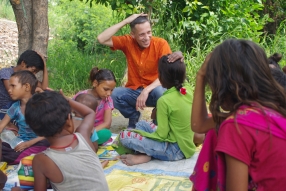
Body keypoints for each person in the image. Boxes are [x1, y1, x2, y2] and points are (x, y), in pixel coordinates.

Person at [192, 39, 286, 191]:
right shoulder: (271, 107)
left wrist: (201, 75)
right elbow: (199, 125)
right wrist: (200, 75)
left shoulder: (238, 124)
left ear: (222, 82)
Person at [97, 13, 183, 128]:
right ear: (133, 34)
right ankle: (134, 116)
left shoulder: (160, 44)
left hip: (155, 91)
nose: (147, 37)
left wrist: (146, 90)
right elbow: (101, 38)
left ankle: (158, 123)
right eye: (142, 34)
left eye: (149, 32)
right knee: (114, 94)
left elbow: (166, 74)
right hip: (134, 91)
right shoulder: (127, 41)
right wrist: (126, 21)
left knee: (162, 93)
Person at [118, 55, 197, 166]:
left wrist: (137, 134)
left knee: (124, 136)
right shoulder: (186, 89)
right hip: (184, 144)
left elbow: (161, 135)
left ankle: (146, 154)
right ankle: (145, 153)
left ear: (162, 78)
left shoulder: (164, 101)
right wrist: (180, 55)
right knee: (141, 124)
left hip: (175, 150)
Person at [24, 91, 109, 191]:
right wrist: (66, 100)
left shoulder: (40, 160)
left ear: (37, 132)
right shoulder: (83, 136)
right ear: (69, 119)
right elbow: (90, 113)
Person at [0, 70, 49, 164]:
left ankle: (20, 157)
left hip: (39, 142)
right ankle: (24, 157)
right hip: (20, 144)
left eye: (13, 86)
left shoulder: (41, 105)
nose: (9, 90)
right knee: (3, 146)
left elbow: (50, 132)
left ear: (27, 87)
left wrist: (28, 144)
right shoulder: (15, 108)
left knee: (45, 144)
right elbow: (1, 126)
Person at [0, 50, 48, 120]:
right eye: (33, 70)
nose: (33, 74)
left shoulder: (27, 77)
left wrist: (44, 66)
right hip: (6, 107)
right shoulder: (6, 73)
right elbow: (14, 93)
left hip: (20, 104)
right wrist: (35, 90)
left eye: (36, 72)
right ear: (23, 64)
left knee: (47, 93)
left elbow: (44, 87)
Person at [74, 67, 116, 145]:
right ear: (95, 83)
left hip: (95, 132)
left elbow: (107, 123)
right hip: (79, 130)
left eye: (111, 90)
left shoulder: (108, 100)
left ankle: (84, 142)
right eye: (106, 89)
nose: (109, 93)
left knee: (106, 134)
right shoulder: (81, 96)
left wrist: (91, 132)